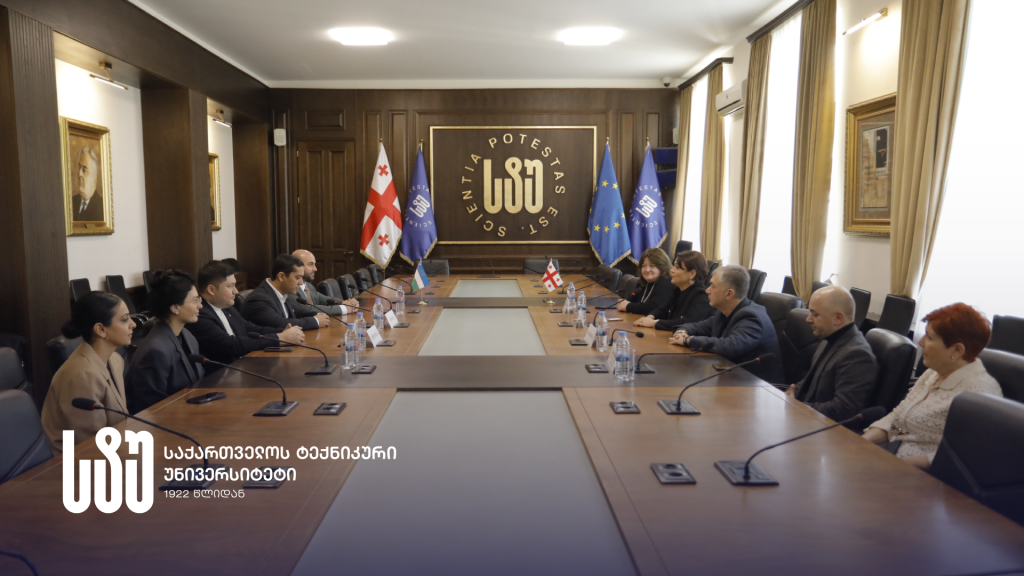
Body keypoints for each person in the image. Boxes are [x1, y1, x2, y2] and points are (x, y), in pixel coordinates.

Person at [863, 303, 1002, 470]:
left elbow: (961, 458)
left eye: (929, 337)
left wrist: (889, 462)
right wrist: (863, 442)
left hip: (922, 476)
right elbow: (901, 423)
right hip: (890, 457)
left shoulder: (979, 393)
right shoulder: (933, 373)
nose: (921, 341)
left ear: (957, 350)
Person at [40, 292, 135, 452]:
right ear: (101, 329)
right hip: (74, 461)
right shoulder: (82, 375)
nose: (133, 324)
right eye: (125, 319)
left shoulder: (115, 360)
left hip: (113, 449)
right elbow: (90, 444)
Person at [669, 264, 783, 383]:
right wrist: (682, 331)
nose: (707, 290)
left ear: (729, 294)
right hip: (732, 378)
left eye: (712, 286)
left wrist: (688, 340)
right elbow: (698, 326)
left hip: (760, 386)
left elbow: (730, 346)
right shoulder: (724, 312)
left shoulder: (751, 317)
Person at [785, 286, 878, 422]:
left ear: (838, 318)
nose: (808, 319)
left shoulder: (857, 355)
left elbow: (843, 410)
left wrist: (798, 407)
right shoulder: (828, 339)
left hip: (824, 430)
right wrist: (789, 395)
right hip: (807, 419)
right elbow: (809, 382)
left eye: (815, 314)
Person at [190, 260, 306, 369]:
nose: (236, 291)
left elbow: (250, 328)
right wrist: (280, 338)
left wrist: (282, 331)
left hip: (242, 367)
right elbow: (231, 345)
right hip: (220, 376)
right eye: (230, 286)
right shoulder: (199, 315)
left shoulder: (227, 308)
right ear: (211, 290)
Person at [125, 270, 205, 414]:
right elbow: (152, 408)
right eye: (195, 301)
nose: (200, 306)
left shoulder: (188, 336)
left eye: (199, 300)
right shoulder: (155, 351)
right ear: (175, 307)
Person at [241, 254, 330, 331]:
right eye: (298, 278)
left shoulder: (282, 293)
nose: (301, 283)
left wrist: (319, 315)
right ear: (281, 276)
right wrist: (316, 321)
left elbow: (298, 311)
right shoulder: (258, 299)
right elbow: (280, 323)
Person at [633, 250, 713, 331]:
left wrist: (654, 323)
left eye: (677, 267)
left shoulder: (701, 296)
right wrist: (650, 317)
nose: (672, 270)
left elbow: (687, 323)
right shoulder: (677, 291)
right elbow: (662, 310)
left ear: (692, 274)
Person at [290, 249, 359, 316]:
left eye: (314, 264)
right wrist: (344, 309)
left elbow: (325, 299)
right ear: (297, 266)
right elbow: (306, 309)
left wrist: (345, 303)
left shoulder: (308, 286)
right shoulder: (291, 288)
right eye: (310, 264)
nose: (315, 269)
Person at [615, 247, 673, 316]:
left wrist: (628, 306)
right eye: (644, 266)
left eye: (652, 266)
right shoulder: (644, 283)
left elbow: (654, 307)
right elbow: (632, 299)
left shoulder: (667, 282)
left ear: (662, 267)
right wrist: (624, 302)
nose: (647, 270)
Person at [71, 146, 104, 222]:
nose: (79, 174)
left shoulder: (102, 207)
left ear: (94, 181)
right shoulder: (71, 203)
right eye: (79, 168)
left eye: (84, 170)